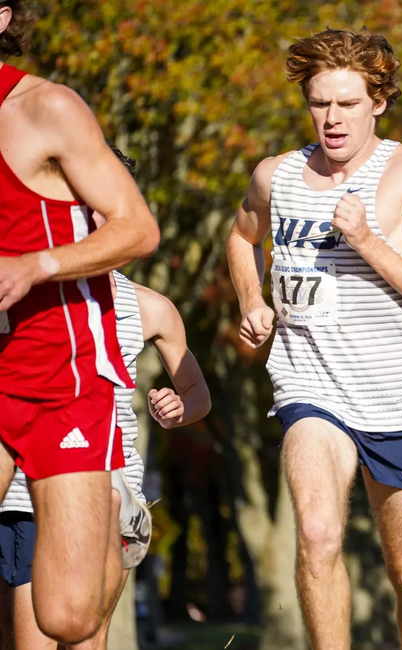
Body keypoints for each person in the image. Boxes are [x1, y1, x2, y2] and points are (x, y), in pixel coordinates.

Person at [225, 29, 402, 650]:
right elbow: (240, 237)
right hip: (310, 382)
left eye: (348, 104)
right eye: (319, 103)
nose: (332, 119)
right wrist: (252, 299)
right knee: (319, 534)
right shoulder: (277, 175)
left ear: (377, 102)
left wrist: (368, 241)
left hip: (396, 393)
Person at [0, 148, 209, 650]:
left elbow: (197, 391)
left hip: (107, 491)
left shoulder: (150, 307)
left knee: (84, 639)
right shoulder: (19, 289)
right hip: (21, 495)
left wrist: (181, 408)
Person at [0, 4, 160, 643]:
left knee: (65, 615)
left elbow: (137, 227)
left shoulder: (47, 110)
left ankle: (110, 512)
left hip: (58, 369)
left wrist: (37, 265)